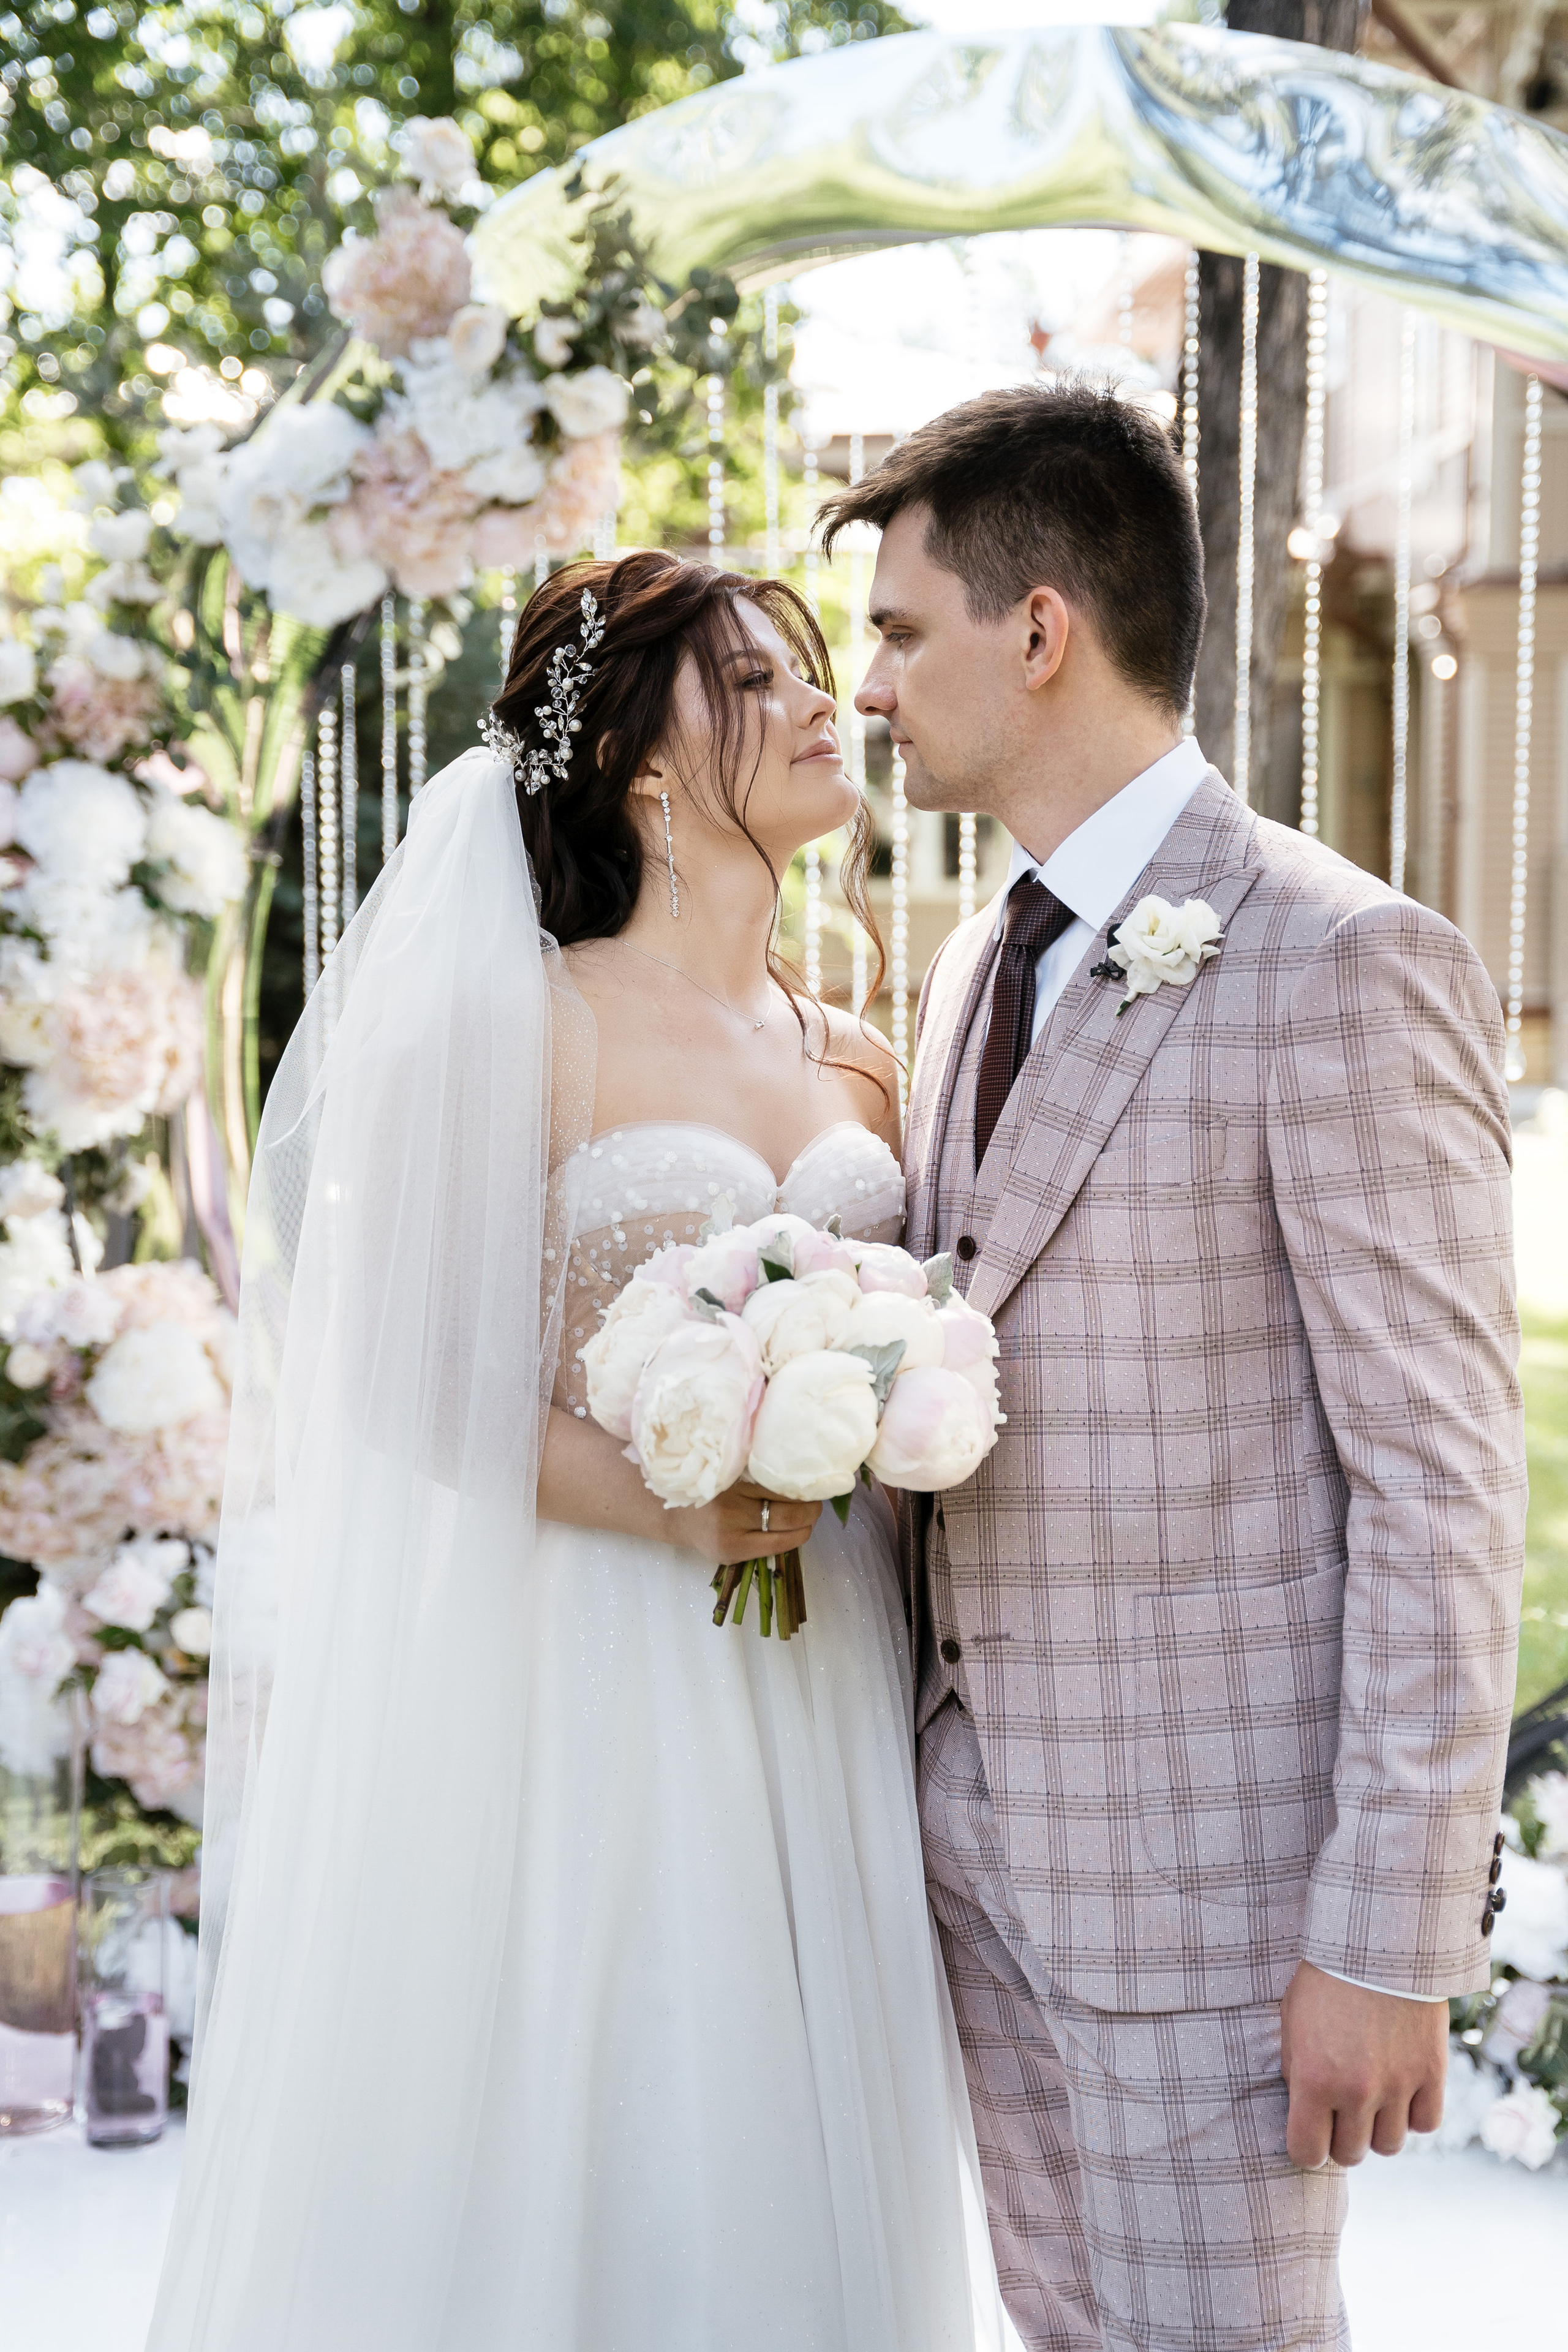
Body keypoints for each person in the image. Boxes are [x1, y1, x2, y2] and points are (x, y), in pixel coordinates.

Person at [147, 551, 1016, 2352]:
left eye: (809, 669)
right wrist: (675, 1507)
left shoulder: (866, 1055)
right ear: (635, 761)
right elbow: (391, 1372)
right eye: (756, 680)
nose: (819, 703)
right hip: (596, 1665)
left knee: (804, 2114)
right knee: (615, 2092)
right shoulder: (519, 1024)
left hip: (829, 1660)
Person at [821, 382, 1527, 2352]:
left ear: (1039, 630)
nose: (873, 689)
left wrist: (1387, 1938)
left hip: (1219, 1902)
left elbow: (1446, 1480)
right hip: (978, 1855)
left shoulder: (1344, 961)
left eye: (899, 630)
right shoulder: (977, 962)